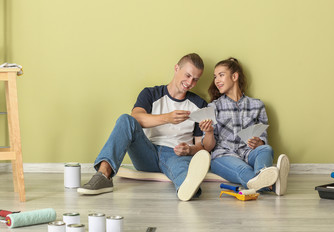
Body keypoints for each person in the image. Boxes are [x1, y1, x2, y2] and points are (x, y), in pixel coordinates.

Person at [77, 53, 211, 201]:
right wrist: (167, 118)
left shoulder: (199, 105)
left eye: (195, 79)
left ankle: (188, 187)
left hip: (176, 155)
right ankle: (103, 176)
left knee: (182, 170)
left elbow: (201, 145)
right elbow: (135, 118)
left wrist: (189, 149)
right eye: (187, 75)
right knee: (125, 119)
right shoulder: (150, 94)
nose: (189, 82)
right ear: (176, 68)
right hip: (148, 152)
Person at [199, 57, 290, 195]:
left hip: (248, 152)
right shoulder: (213, 107)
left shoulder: (257, 105)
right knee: (244, 171)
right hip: (223, 156)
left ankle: (264, 177)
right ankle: (274, 184)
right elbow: (208, 147)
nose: (216, 80)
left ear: (234, 76)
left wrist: (259, 142)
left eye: (221, 75)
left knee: (266, 149)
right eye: (215, 76)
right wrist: (209, 132)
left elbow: (263, 139)